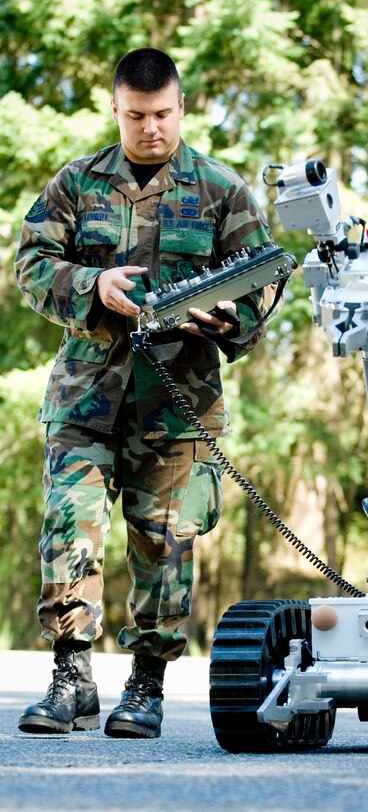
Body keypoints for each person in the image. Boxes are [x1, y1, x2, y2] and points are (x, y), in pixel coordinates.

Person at [14, 48, 273, 738]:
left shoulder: (221, 189)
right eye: (136, 115)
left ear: (181, 108)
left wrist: (230, 319)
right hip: (86, 399)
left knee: (164, 545)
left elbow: (262, 280)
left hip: (177, 402)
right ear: (116, 109)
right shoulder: (77, 182)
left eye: (161, 114)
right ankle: (71, 677)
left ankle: (147, 686)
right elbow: (31, 263)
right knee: (70, 528)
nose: (150, 128)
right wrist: (90, 286)